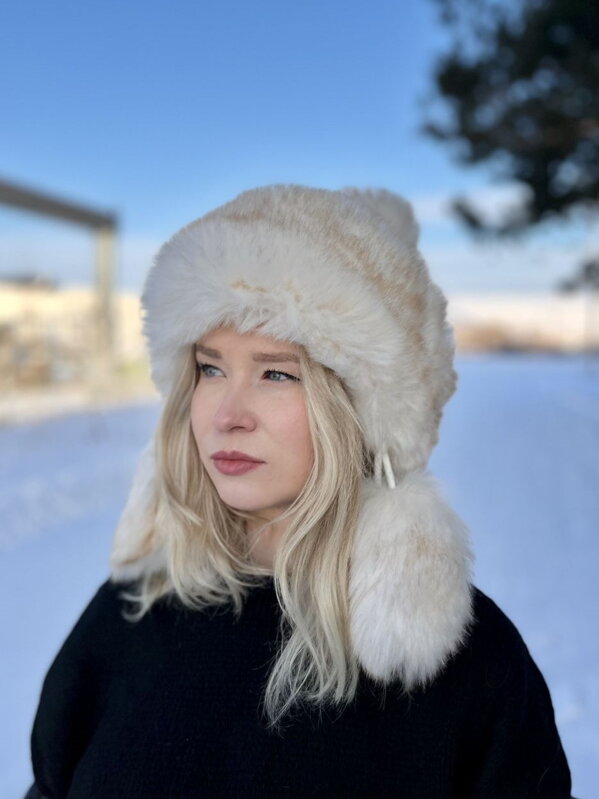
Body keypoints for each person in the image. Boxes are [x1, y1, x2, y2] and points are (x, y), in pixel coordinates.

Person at [26, 184, 575, 798]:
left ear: (361, 411)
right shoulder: (130, 615)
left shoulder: (467, 665)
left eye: (276, 373)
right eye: (211, 368)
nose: (227, 414)